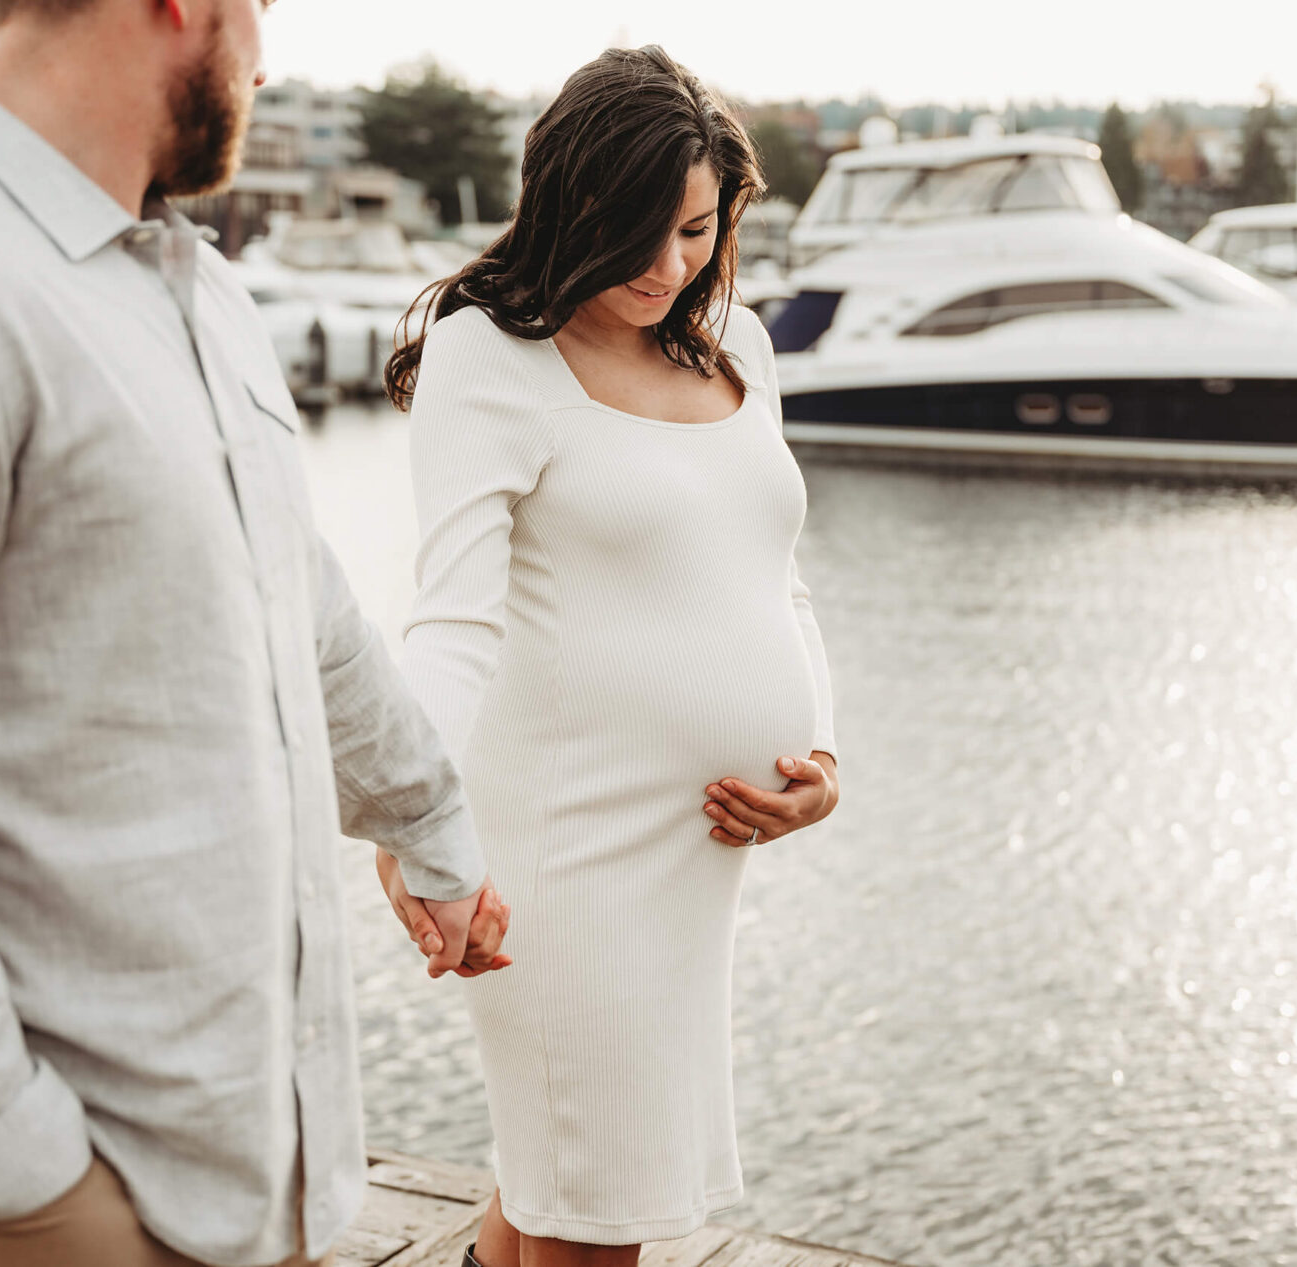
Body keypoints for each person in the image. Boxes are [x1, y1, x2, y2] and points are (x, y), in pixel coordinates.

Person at [0, 2, 509, 1264]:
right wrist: (25, 1174)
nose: (264, 49)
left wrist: (431, 825)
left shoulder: (204, 294)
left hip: (230, 1169)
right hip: (26, 1194)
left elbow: (312, 612)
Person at [374, 45, 840, 1267]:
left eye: (693, 231)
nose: (664, 265)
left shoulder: (737, 345)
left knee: (557, 1187)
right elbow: (453, 620)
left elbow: (774, 573)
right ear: (564, 200)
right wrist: (413, 826)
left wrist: (819, 751)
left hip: (692, 860)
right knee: (602, 1212)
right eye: (633, 230)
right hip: (566, 852)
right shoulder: (493, 355)